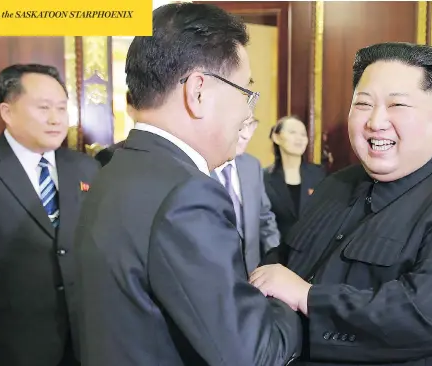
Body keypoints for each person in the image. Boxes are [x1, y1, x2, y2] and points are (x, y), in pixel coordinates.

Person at [250, 42, 432, 366]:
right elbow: (281, 265)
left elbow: (424, 318)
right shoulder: (333, 184)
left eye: (397, 104)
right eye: (363, 103)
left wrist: (307, 297)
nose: (375, 121)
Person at [74, 4, 301, 366]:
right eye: (246, 92)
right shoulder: (187, 193)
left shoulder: (116, 167)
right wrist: (290, 299)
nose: (247, 113)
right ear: (198, 91)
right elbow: (253, 354)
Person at [0, 64, 100, 366]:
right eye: (43, 108)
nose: (56, 119)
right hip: (9, 343)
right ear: (7, 111)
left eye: (61, 108)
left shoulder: (87, 169)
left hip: (84, 340)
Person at [212, 116, 280, 274]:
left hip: (251, 273)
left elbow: (265, 218)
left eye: (252, 125)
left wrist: (276, 261)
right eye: (241, 126)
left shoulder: (252, 165)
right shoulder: (197, 166)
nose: (247, 135)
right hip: (213, 274)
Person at [264, 116, 326, 239]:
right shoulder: (263, 177)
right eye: (292, 132)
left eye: (303, 134)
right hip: (276, 251)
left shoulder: (319, 174)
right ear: (276, 137)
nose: (300, 138)